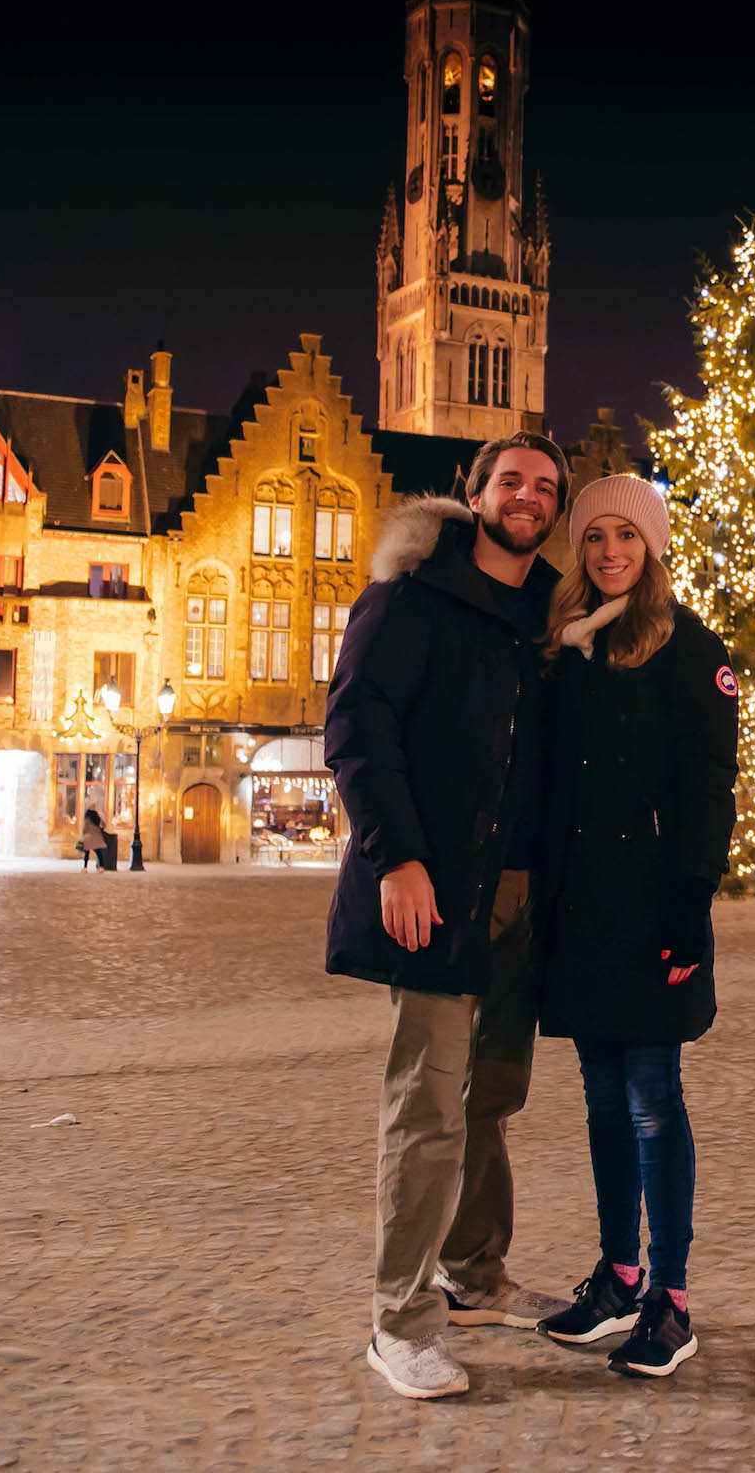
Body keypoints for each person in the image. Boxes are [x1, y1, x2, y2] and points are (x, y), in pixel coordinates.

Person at [324, 431, 569, 1402]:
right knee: (426, 1107)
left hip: (518, 898)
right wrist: (399, 856)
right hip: (432, 886)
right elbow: (355, 726)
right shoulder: (409, 598)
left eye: (546, 487)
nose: (528, 496)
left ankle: (477, 1277)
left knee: (492, 1099)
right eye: (511, 480)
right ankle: (401, 1320)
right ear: (475, 495)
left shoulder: (546, 619)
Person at [535, 475, 738, 1379]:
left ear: (653, 548)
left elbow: (710, 786)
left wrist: (690, 905)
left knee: (655, 1102)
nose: (610, 551)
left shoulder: (691, 649)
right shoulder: (569, 647)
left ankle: (673, 1298)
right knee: (601, 1103)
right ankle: (619, 1277)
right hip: (583, 908)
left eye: (627, 536)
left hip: (654, 904)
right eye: (593, 537)